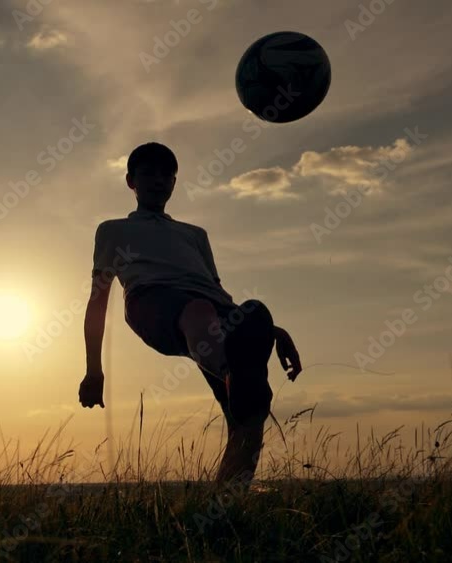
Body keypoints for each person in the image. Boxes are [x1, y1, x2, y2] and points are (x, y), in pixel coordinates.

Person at [79, 142, 302, 485]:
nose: (158, 180)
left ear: (174, 182)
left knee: (247, 408)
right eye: (148, 173)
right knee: (198, 312)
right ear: (130, 182)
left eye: (166, 175)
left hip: (210, 316)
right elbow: (98, 300)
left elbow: (217, 295)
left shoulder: (195, 235)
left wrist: (273, 330)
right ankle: (234, 374)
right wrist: (94, 370)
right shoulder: (113, 230)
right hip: (152, 302)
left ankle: (226, 505)